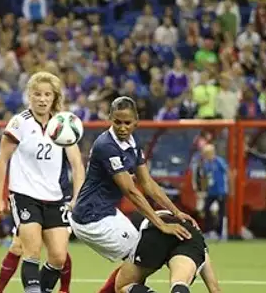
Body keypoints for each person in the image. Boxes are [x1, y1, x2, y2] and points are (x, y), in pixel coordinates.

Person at [69, 96, 197, 271]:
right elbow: (131, 191)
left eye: (127, 123)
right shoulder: (106, 146)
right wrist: (161, 225)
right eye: (117, 122)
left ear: (136, 122)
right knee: (141, 258)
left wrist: (176, 212)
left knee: (138, 258)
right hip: (90, 218)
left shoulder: (132, 142)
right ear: (110, 119)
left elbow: (147, 183)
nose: (122, 127)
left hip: (107, 212)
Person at [0, 71, 84, 293]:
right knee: (30, 250)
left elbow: (77, 165)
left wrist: (77, 198)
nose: (42, 99)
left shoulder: (63, 124)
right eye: (37, 94)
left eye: (47, 95)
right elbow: (2, 160)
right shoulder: (18, 123)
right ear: (29, 96)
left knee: (59, 257)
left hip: (54, 197)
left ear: (54, 97)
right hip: (24, 195)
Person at [100, 210, 222, 293]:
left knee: (123, 286)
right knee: (180, 283)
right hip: (189, 235)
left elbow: (122, 274)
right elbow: (215, 289)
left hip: (156, 228)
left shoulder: (133, 225)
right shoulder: (200, 244)